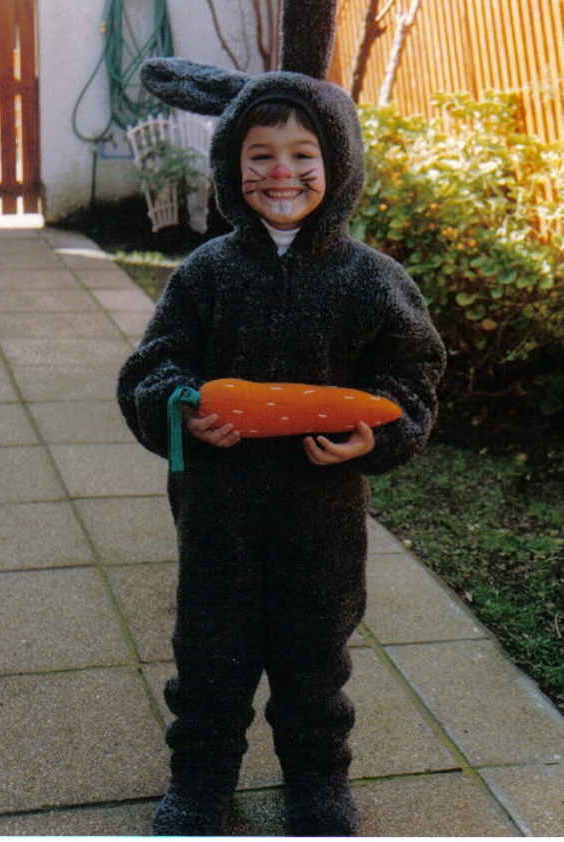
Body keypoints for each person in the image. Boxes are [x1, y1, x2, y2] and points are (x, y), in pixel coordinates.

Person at [117, 67, 446, 836]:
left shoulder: (372, 280)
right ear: (233, 166)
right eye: (258, 154)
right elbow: (154, 365)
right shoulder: (206, 274)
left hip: (321, 513)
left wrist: (382, 433)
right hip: (217, 510)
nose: (281, 173)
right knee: (210, 656)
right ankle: (200, 778)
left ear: (338, 165)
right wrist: (179, 410)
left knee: (312, 660)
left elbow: (412, 375)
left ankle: (316, 783)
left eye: (303, 154)